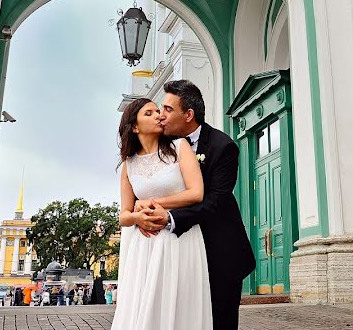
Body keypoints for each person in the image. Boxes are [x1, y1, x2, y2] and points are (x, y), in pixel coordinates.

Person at [147, 80, 257, 330]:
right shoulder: (162, 146)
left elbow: (215, 200)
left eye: (167, 109)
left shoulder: (222, 147)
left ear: (188, 115)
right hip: (179, 251)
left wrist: (171, 218)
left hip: (218, 252)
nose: (161, 116)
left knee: (220, 322)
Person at [110, 98, 211, 329]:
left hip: (180, 240)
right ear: (134, 126)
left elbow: (196, 193)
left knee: (179, 305)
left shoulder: (180, 147)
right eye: (149, 113)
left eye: (159, 111)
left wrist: (148, 202)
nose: (158, 115)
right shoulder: (129, 164)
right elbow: (124, 215)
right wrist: (137, 217)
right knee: (147, 308)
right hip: (144, 247)